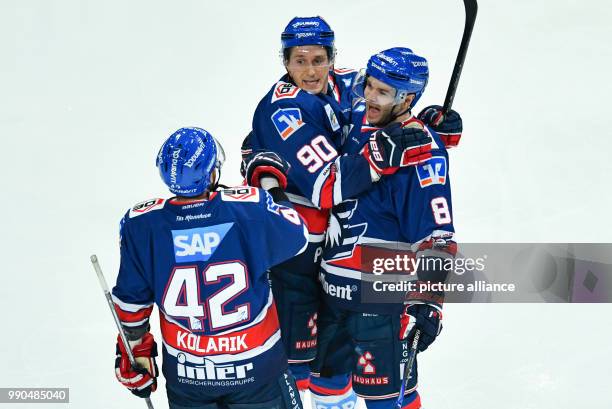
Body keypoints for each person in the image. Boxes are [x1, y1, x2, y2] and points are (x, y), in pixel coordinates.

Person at [241, 16, 434, 394]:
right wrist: (386, 149)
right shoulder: (283, 111)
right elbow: (329, 185)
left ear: (332, 57)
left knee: (334, 363)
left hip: (337, 253)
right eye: (299, 61)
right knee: (296, 365)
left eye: (318, 59)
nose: (310, 71)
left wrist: (424, 125)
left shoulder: (349, 82)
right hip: (294, 257)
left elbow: (386, 104)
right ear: (285, 62)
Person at [111, 127, 310, 409]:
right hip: (257, 372)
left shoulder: (141, 224)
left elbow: (132, 304)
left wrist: (133, 348)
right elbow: (297, 235)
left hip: (188, 379)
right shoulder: (249, 209)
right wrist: (271, 186)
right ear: (212, 173)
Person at [309, 48, 459, 409]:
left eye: (382, 92)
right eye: (369, 86)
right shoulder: (352, 119)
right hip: (330, 295)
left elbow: (437, 238)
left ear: (407, 97)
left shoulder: (423, 151)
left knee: (388, 399)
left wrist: (428, 301)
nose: (369, 98)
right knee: (326, 390)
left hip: (382, 303)